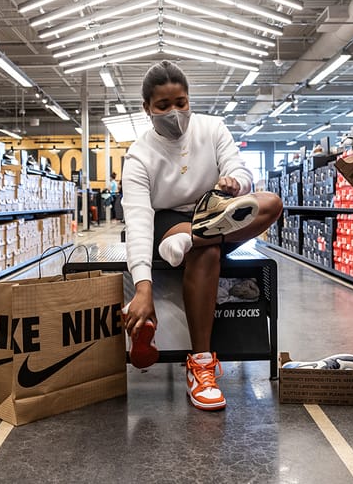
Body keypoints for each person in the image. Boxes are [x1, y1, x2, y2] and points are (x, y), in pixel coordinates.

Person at [121, 60, 282, 411]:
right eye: (163, 106)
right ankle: (201, 363)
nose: (174, 112)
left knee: (270, 203)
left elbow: (238, 167)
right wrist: (142, 287)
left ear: (189, 99)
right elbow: (137, 219)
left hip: (214, 212)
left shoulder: (212, 128)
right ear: (147, 108)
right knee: (206, 254)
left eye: (181, 102)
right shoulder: (138, 156)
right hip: (168, 222)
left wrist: (235, 182)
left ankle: (194, 240)